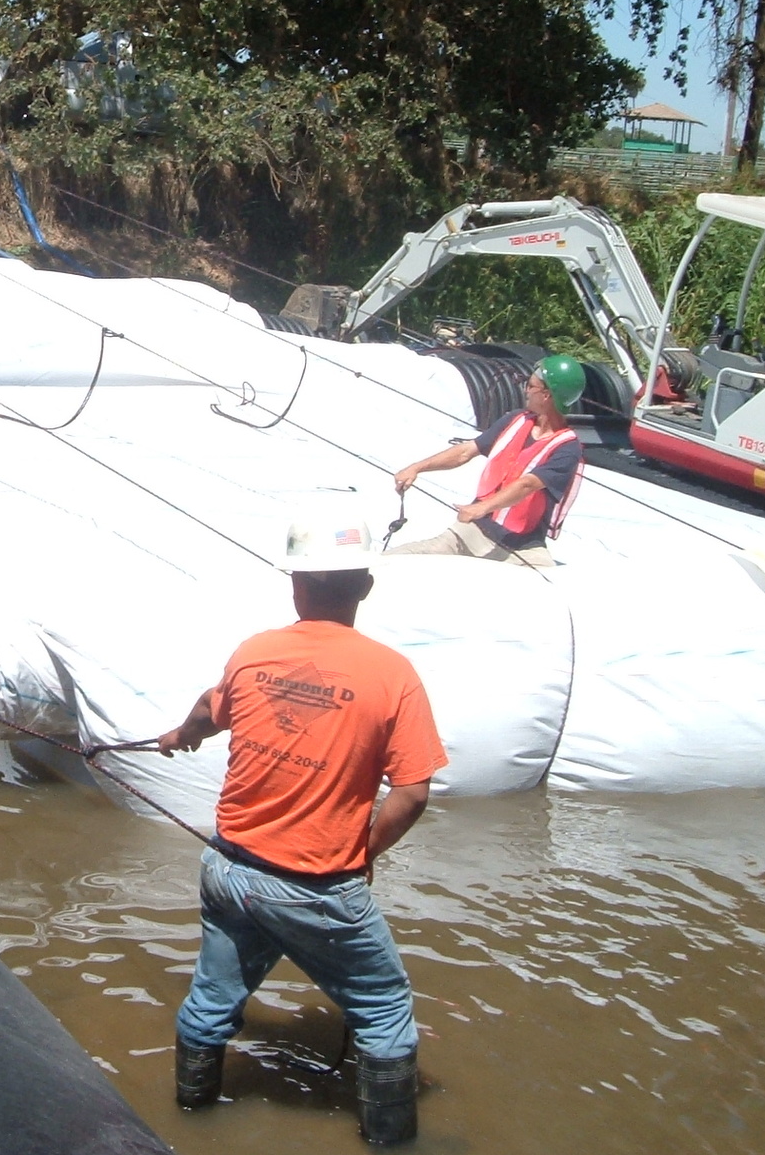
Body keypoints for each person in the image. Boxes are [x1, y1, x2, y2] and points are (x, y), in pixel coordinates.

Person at [156, 501, 447, 1145]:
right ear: (365, 586)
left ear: (296, 583)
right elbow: (413, 794)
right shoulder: (392, 675)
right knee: (384, 1010)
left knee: (211, 1003)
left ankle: (187, 1121)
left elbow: (210, 709)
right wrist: (362, 850)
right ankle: (391, 1142)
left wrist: (179, 735)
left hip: (229, 869)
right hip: (317, 885)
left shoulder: (255, 652)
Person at [386, 353, 587, 567]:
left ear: (546, 395)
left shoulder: (567, 448)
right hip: (472, 531)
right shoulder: (514, 420)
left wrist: (482, 508)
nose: (526, 390)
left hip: (520, 547)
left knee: (545, 583)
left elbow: (527, 484)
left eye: (531, 385)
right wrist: (417, 468)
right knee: (399, 560)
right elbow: (466, 451)